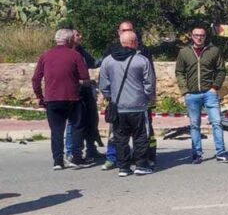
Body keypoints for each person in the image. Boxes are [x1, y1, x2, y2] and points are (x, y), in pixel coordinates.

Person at [100, 21, 157, 171]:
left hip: (118, 107)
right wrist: (148, 98)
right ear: (133, 42)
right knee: (140, 137)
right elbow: (149, 83)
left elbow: (103, 84)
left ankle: (123, 168)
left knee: (120, 139)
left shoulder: (108, 60)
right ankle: (141, 165)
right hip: (138, 106)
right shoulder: (142, 60)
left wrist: (110, 98)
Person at [32, 29, 90, 170]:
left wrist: (41, 97)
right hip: (72, 98)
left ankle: (58, 161)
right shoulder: (75, 55)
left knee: (56, 130)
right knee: (76, 127)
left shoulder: (45, 56)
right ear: (69, 41)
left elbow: (35, 79)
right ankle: (76, 158)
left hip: (52, 99)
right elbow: (85, 77)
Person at [175, 25, 228, 164]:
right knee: (194, 125)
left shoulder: (214, 51)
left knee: (217, 122)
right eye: (196, 35)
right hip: (192, 95)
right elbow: (179, 72)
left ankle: (221, 152)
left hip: (209, 93)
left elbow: (221, 70)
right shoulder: (184, 52)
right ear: (191, 36)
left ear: (205, 37)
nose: (199, 38)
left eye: (202, 35)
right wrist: (185, 91)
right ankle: (197, 154)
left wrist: (215, 87)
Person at [65, 29, 101, 164]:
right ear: (70, 37)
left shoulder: (81, 51)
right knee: (73, 123)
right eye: (77, 35)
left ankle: (91, 149)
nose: (81, 37)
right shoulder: (67, 53)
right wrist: (83, 82)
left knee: (91, 121)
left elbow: (92, 63)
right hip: (74, 92)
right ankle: (70, 151)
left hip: (86, 91)